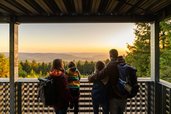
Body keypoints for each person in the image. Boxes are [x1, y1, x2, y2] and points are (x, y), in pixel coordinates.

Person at [90, 49, 127, 114]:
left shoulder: (111, 65)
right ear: (117, 54)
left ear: (110, 55)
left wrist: (90, 77)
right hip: (123, 94)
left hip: (114, 96)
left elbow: (100, 75)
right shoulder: (123, 63)